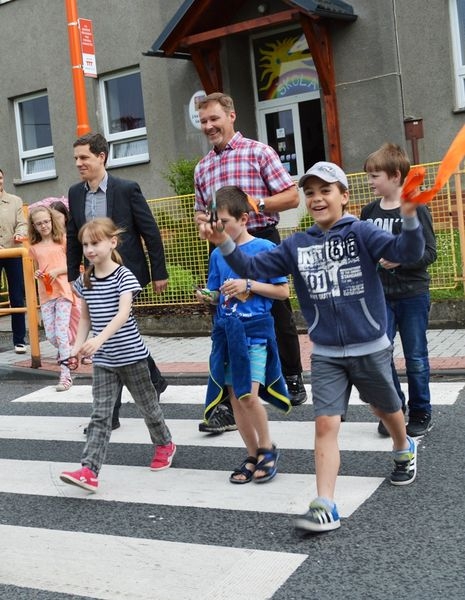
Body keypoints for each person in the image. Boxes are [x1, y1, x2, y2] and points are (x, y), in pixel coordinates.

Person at [199, 161, 424, 533]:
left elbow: (408, 250)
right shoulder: (297, 244)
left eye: (326, 190)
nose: (317, 198)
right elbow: (250, 265)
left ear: (344, 196)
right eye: (310, 192)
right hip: (326, 352)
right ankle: (325, 504)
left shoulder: (363, 233)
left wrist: (411, 217)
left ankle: (403, 446)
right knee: (324, 424)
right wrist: (222, 242)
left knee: (384, 407)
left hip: (368, 344)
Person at [194, 92, 307, 434]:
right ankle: (230, 402)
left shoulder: (258, 151)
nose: (209, 126)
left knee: (278, 311)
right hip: (223, 247)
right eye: (203, 121)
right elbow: (201, 209)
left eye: (214, 118)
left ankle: (290, 376)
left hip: (261, 241)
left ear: (231, 115)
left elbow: (291, 195)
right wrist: (205, 224)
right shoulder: (203, 167)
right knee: (226, 314)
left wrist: (252, 205)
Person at [60, 218, 175, 492]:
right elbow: (85, 318)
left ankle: (164, 443)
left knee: (148, 408)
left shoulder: (124, 276)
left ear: (112, 242)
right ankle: (89, 470)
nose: (89, 249)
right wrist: (77, 346)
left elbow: (123, 314)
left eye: (95, 242)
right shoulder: (84, 279)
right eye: (85, 244)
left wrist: (98, 339)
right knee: (100, 415)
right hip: (104, 361)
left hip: (132, 356)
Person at [67, 132, 168, 430]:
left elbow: (150, 231)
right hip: (93, 276)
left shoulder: (126, 189)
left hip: (125, 273)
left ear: (101, 157)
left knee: (110, 332)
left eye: (84, 157)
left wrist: (159, 271)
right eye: (76, 158)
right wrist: (74, 269)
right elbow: (75, 235)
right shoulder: (75, 193)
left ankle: (109, 413)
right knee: (118, 335)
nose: (79, 163)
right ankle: (154, 379)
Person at [196, 186, 291, 483]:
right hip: (227, 334)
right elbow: (218, 292)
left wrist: (248, 285)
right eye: (216, 223)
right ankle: (252, 454)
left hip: (255, 332)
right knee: (235, 398)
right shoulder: (216, 255)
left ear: (244, 218)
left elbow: (283, 291)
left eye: (224, 222)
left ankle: (267, 448)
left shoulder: (263, 248)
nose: (219, 229)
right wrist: (209, 296)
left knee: (248, 394)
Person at [361, 143, 437, 437]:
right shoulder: (368, 211)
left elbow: (430, 252)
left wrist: (401, 261)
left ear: (395, 176)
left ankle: (421, 411)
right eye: (368, 175)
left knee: (416, 357)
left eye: (374, 175)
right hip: (380, 297)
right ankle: (394, 409)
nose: (369, 182)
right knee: (380, 356)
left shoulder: (415, 207)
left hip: (413, 295)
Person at [28, 206, 74, 391]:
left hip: (63, 291)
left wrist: (57, 271)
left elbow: (74, 265)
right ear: (34, 226)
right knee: (51, 336)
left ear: (51, 220)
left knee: (61, 334)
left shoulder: (62, 240)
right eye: (39, 224)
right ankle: (69, 349)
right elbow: (35, 269)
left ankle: (66, 374)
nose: (43, 226)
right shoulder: (34, 249)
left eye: (46, 221)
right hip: (46, 295)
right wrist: (38, 273)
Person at [0, 168, 27, 353]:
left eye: (0, 178)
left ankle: (19, 340)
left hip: (13, 252)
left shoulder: (14, 201)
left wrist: (20, 234)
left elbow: (22, 223)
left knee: (17, 297)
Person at [49, 200, 82, 352]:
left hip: (73, 283)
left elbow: (77, 263)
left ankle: (81, 349)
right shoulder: (50, 239)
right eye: (52, 218)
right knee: (61, 321)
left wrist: (58, 271)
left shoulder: (71, 237)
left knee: (78, 318)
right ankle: (65, 349)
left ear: (65, 217)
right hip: (57, 287)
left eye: (58, 217)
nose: (55, 221)